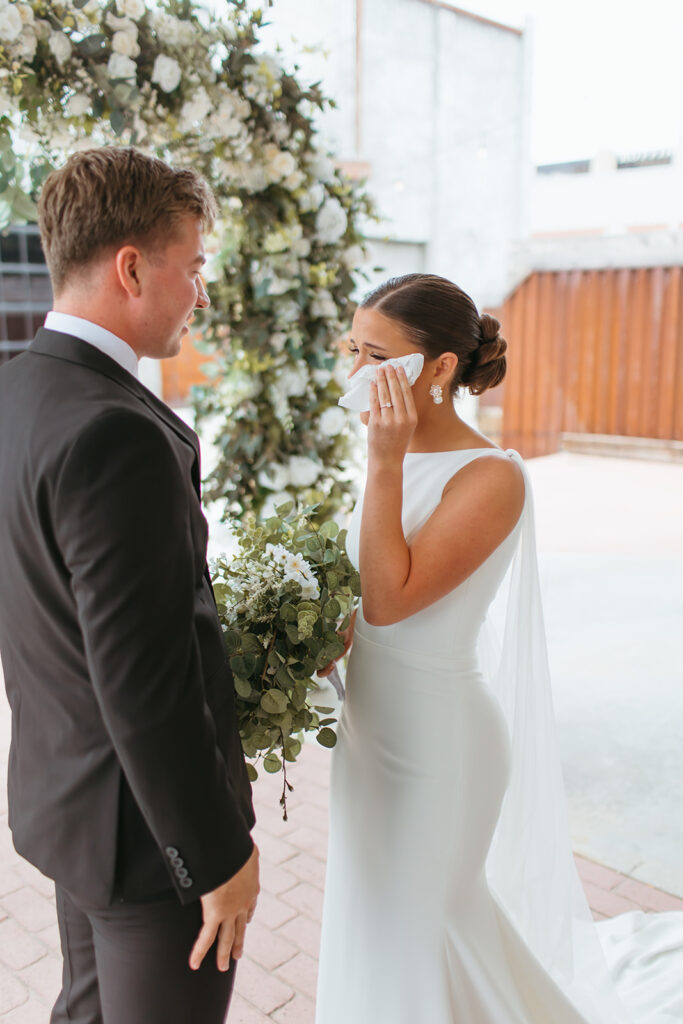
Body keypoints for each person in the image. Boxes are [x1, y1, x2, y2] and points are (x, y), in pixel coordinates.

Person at [315, 273, 683, 1023]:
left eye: (375, 354)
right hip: (368, 735)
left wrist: (381, 463)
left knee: (427, 924)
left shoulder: (490, 478)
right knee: (376, 919)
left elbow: (391, 603)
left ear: (437, 369)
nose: (356, 373)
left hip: (440, 746)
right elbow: (367, 605)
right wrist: (318, 638)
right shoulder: (395, 457)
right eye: (353, 349)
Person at [0, 147, 259, 1024]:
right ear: (131, 267)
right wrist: (215, 856)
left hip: (70, 806)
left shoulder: (18, 391)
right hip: (149, 843)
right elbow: (143, 686)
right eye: (193, 268)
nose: (201, 294)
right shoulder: (119, 436)